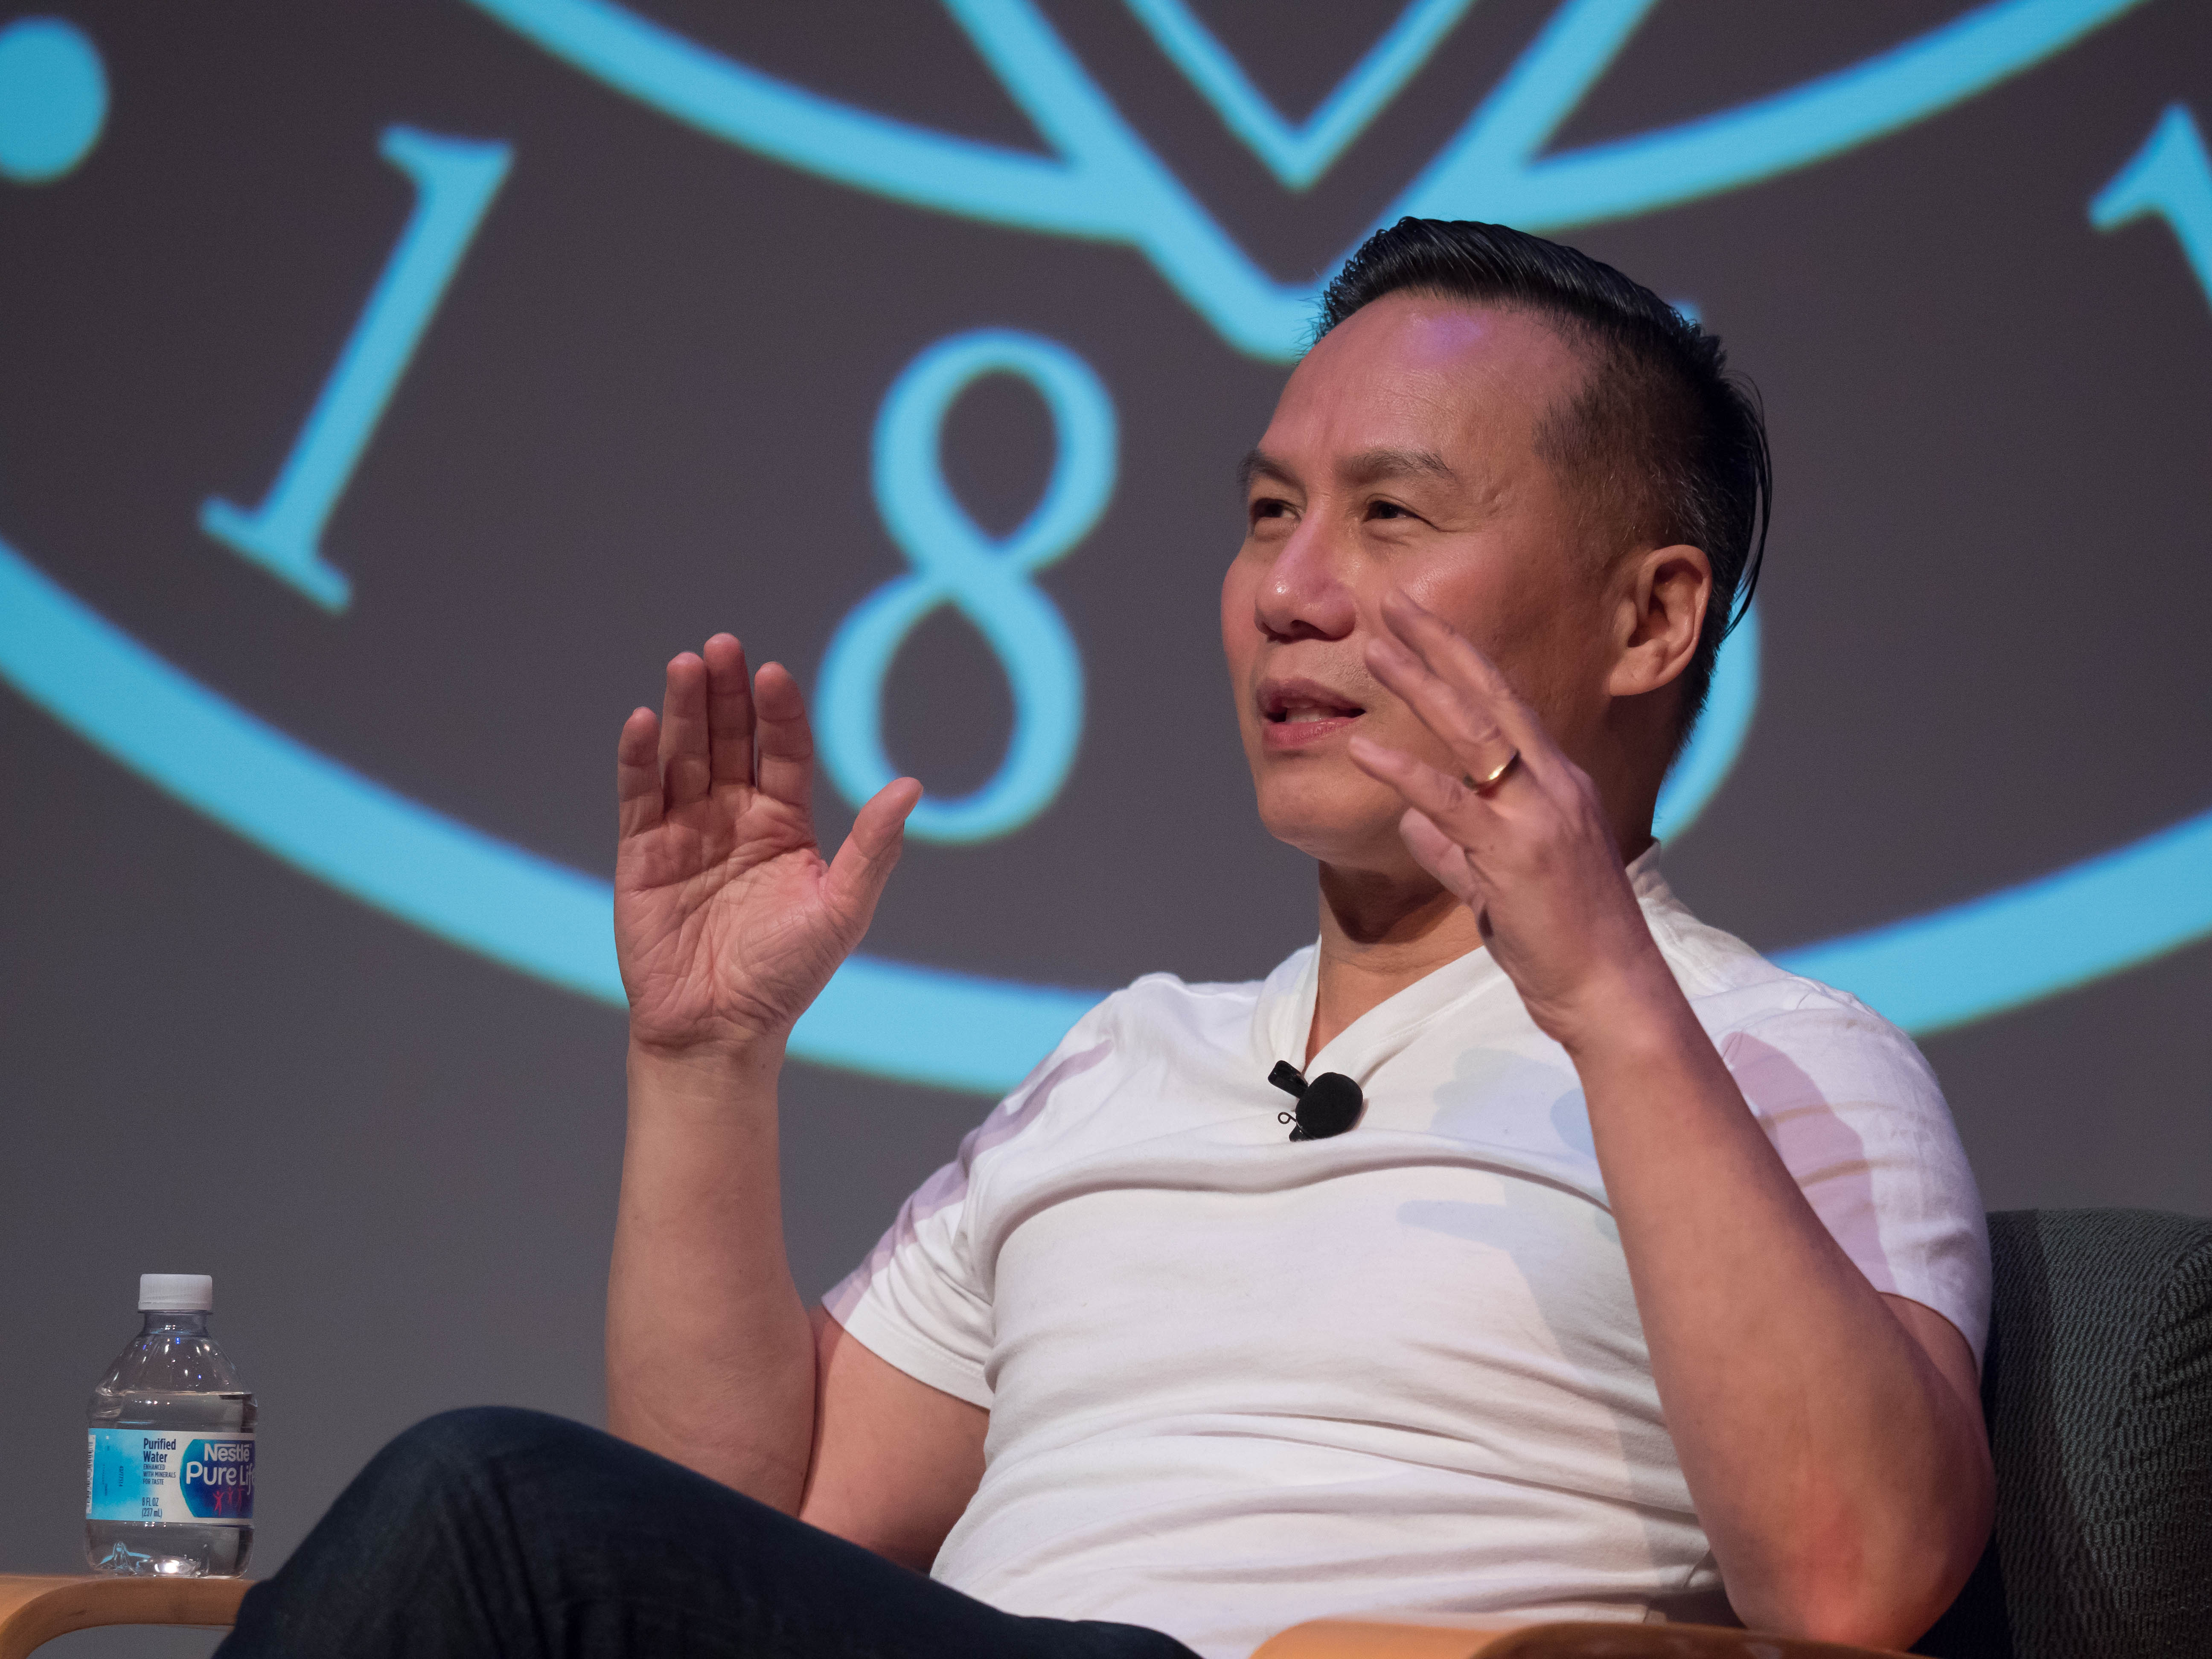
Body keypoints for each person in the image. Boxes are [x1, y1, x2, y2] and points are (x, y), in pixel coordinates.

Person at [218, 220, 1994, 1659]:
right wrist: (704, 1064)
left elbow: (1855, 1582)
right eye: (1269, 514)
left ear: (1650, 620)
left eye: (1390, 514)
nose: (1292, 591)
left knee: (483, 1510)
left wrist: (1602, 993)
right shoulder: (1126, 1062)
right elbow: (739, 1544)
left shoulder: (1776, 1056)